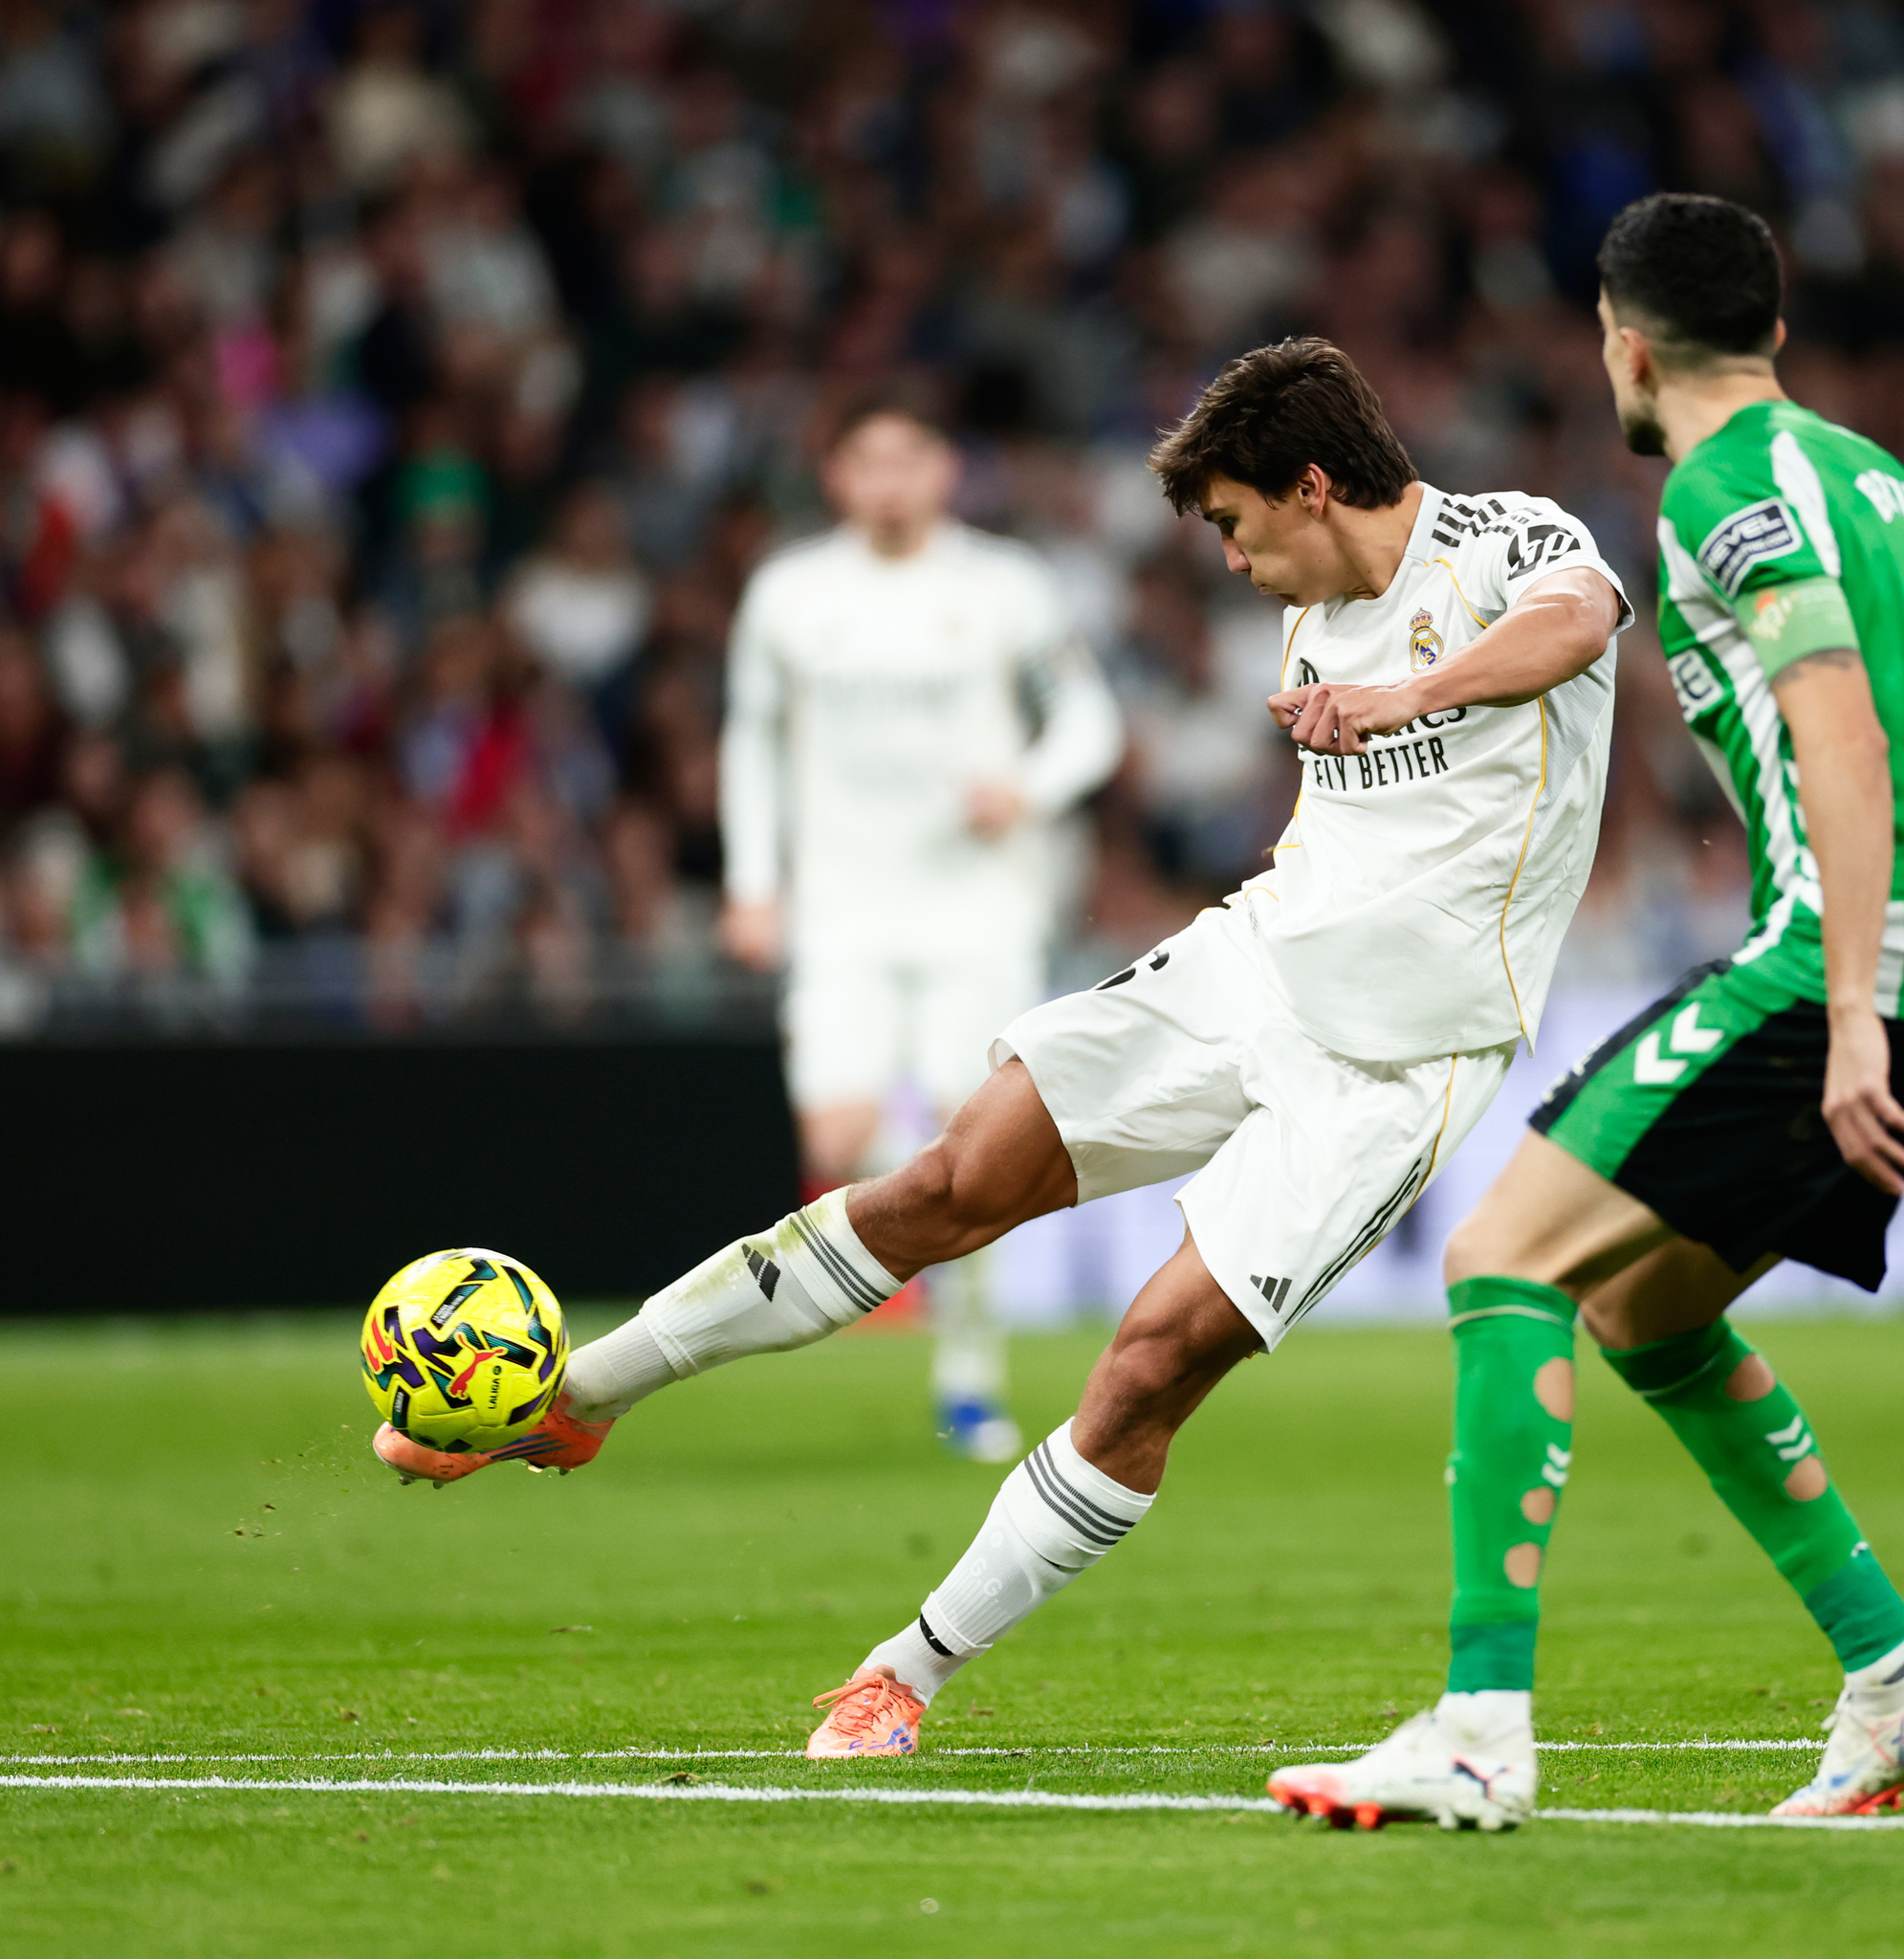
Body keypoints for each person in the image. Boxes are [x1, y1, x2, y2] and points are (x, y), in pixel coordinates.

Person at [366, 338, 1633, 1768]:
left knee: (1151, 1363)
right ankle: (578, 1400)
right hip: (1251, 966)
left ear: (1313, 485)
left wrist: (1407, 698)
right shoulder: (1304, 617)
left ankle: (902, 1672)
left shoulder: (1509, 541)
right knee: (942, 1182)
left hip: (1401, 1059)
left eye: (1231, 523)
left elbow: (1580, 625)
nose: (1227, 559)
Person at [1266, 193, 1904, 1831]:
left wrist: (1844, 1009)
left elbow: (1841, 732)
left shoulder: (1722, 486)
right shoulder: (1875, 477)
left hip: (1868, 956)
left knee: (1502, 1257)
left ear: (1621, 338)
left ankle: (1479, 1723)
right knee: (1648, 1308)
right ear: (1771, 323)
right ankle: (1895, 1674)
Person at [715, 400, 1123, 1464]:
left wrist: (1025, 787)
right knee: (836, 1140)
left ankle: (969, 1377)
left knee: (974, 1148)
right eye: (868, 459)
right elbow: (751, 742)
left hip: (978, 908)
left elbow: (1090, 721)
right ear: (838, 475)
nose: (889, 480)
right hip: (843, 905)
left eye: (909, 458)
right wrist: (754, 883)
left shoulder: (1003, 586)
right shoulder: (792, 592)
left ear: (944, 470)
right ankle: (938, 1294)